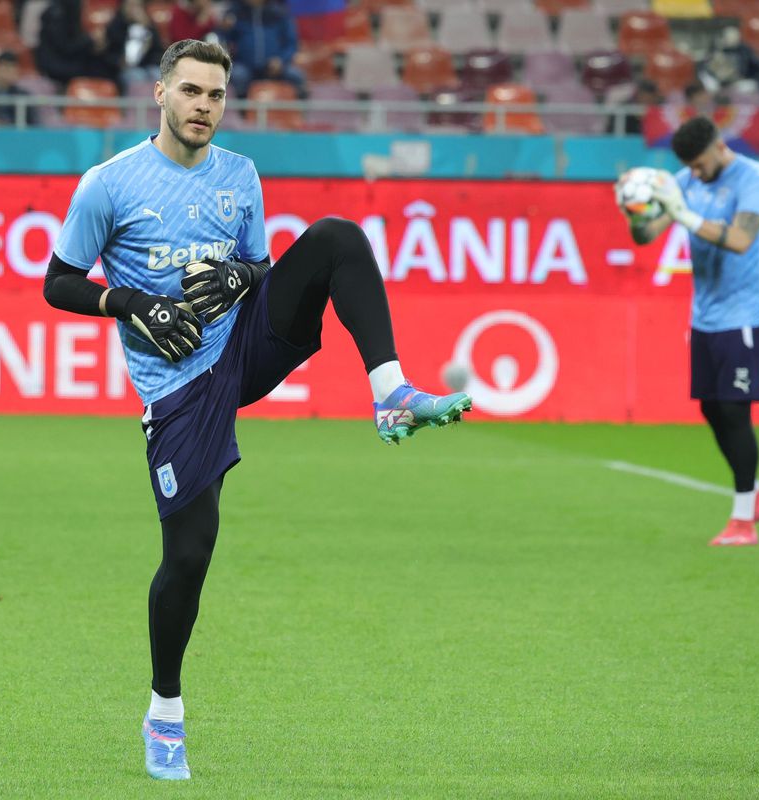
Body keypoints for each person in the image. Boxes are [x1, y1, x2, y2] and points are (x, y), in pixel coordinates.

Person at [41, 39, 471, 780]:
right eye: (192, 92)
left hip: (246, 345)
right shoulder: (108, 185)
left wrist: (240, 273)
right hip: (179, 386)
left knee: (336, 237)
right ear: (161, 94)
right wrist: (130, 300)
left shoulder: (239, 176)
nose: (204, 106)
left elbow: (264, 267)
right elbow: (57, 281)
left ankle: (391, 393)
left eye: (216, 95)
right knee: (189, 555)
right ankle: (165, 711)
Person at [615, 116, 759, 546]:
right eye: (690, 166)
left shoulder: (755, 179)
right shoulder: (685, 180)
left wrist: (682, 212)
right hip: (706, 315)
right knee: (711, 408)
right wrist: (636, 212)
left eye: (701, 164)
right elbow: (647, 235)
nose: (697, 173)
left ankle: (744, 520)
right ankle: (756, 493)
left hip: (746, 314)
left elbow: (742, 240)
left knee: (734, 411)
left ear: (719, 146)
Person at [221, 0, 304, 98]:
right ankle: (243, 112)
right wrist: (224, 29)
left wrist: (281, 60)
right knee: (236, 75)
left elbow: (291, 43)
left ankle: (300, 112)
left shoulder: (280, 13)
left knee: (296, 76)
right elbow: (223, 42)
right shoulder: (234, 14)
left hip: (276, 66)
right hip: (245, 66)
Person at [35, 0, 119, 86]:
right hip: (57, 65)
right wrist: (90, 39)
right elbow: (66, 48)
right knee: (103, 70)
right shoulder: (58, 13)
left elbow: (75, 41)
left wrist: (94, 44)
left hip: (68, 60)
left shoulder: (69, 9)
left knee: (108, 65)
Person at [107, 0, 167, 92]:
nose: (134, 10)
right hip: (123, 69)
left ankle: (158, 106)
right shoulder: (115, 26)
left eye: (137, 6)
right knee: (136, 77)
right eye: (130, 5)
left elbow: (157, 51)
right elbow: (111, 53)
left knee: (158, 75)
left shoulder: (149, 26)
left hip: (148, 66)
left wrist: (147, 28)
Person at [0, 50, 37, 126]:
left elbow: (32, 124)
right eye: (4, 66)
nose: (7, 71)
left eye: (11, 67)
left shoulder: (23, 95)